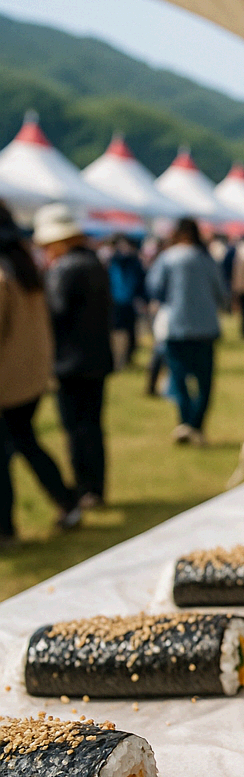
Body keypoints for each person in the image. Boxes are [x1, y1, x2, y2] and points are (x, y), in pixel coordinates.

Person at [0, 201, 81, 539]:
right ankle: (66, 500)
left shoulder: (5, 272)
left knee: (12, 449)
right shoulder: (24, 265)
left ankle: (5, 528)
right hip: (29, 378)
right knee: (24, 442)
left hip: (7, 380)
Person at [34, 204, 113, 509]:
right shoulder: (95, 263)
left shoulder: (65, 269)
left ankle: (85, 489)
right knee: (92, 426)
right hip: (96, 359)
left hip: (70, 363)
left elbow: (53, 315)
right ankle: (96, 488)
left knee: (76, 430)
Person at [147, 218, 228, 445]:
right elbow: (221, 291)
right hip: (205, 329)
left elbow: (154, 287)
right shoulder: (206, 259)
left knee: (179, 378)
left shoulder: (169, 258)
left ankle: (185, 423)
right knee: (204, 383)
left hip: (177, 328)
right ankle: (195, 426)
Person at [106, 235, 148, 368]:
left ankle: (126, 359)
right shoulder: (115, 261)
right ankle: (119, 359)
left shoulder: (132, 262)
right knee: (118, 332)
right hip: (117, 302)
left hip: (128, 302)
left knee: (128, 331)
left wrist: (143, 298)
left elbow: (141, 282)